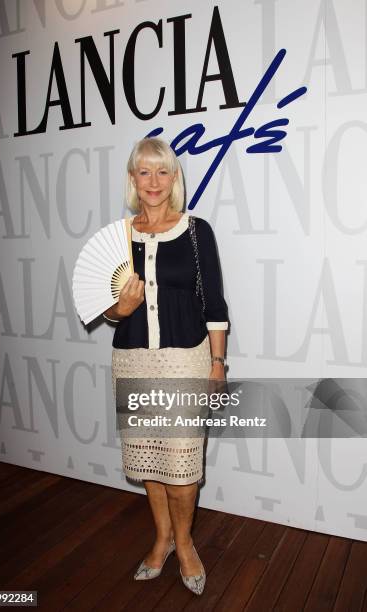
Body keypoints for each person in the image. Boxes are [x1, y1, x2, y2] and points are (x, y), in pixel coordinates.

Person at [102, 137, 229, 596]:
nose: (153, 182)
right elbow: (109, 313)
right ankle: (162, 540)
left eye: (162, 172)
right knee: (150, 463)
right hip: (133, 359)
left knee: (182, 464)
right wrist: (120, 306)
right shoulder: (119, 236)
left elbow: (214, 303)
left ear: (173, 179)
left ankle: (186, 543)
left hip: (185, 360)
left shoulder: (197, 231)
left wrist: (217, 364)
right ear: (133, 179)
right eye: (144, 172)